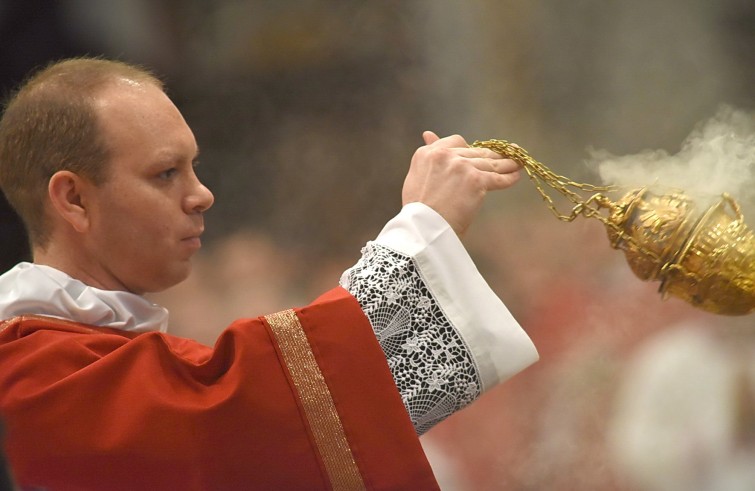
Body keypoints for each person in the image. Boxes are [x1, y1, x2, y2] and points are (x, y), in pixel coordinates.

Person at [0, 57, 538, 490]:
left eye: (194, 167)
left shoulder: (90, 352)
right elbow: (246, 420)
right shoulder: (34, 376)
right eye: (165, 173)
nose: (202, 194)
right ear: (74, 199)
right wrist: (421, 232)